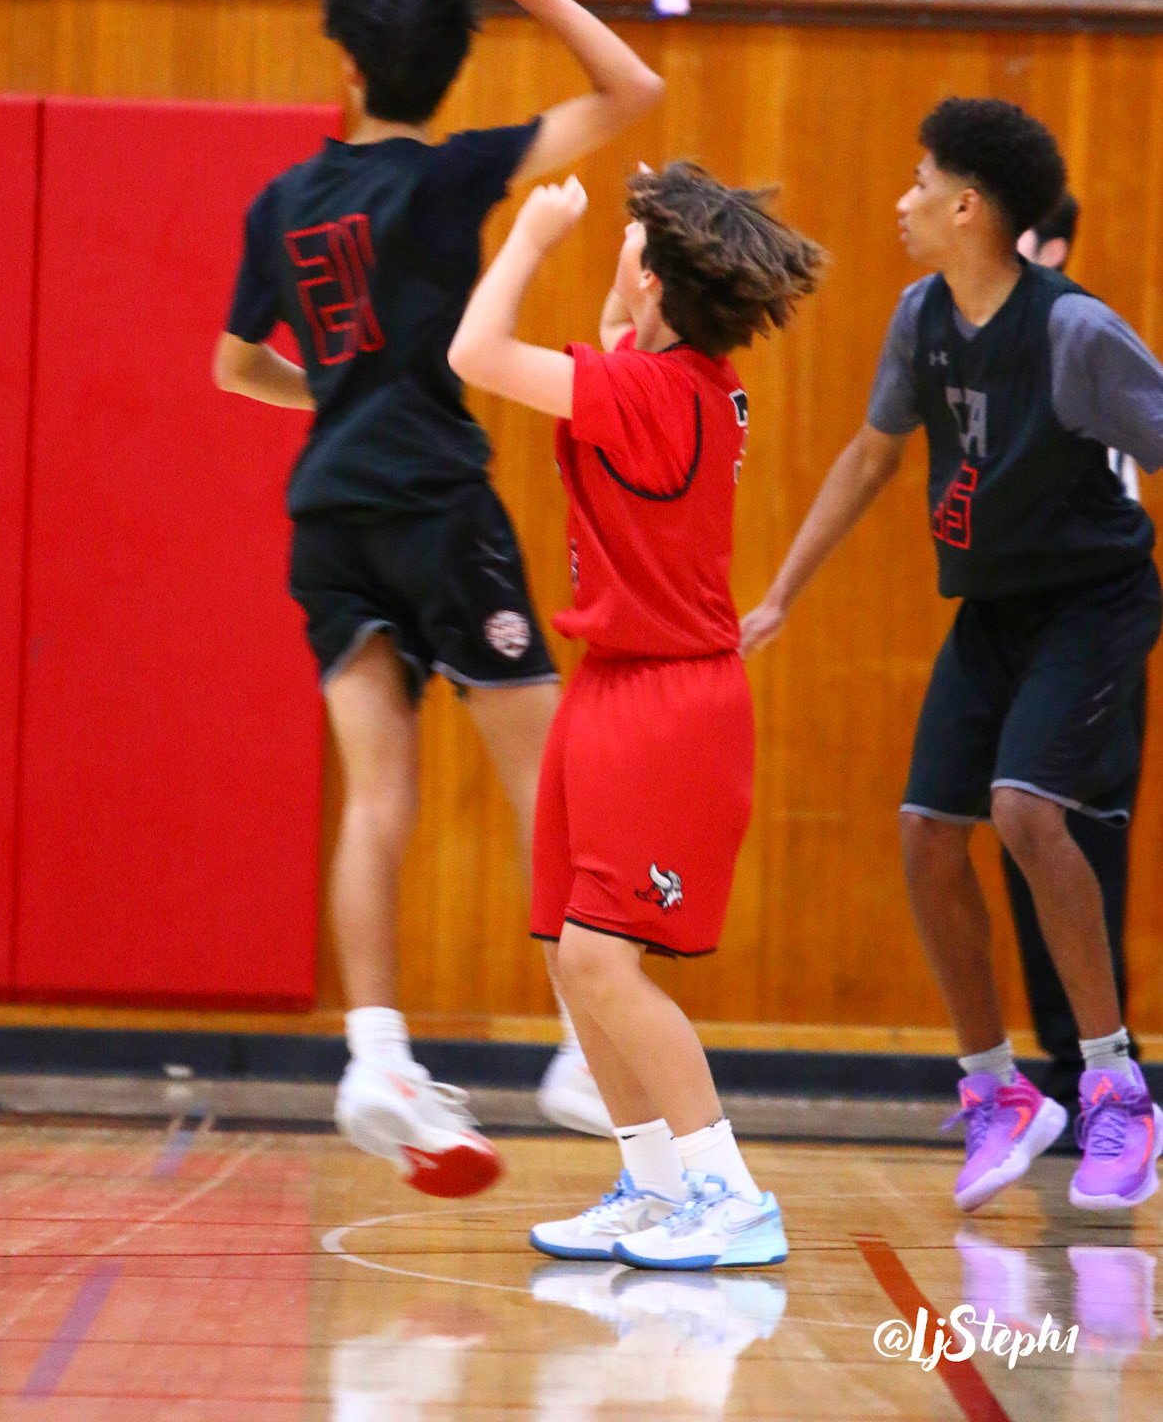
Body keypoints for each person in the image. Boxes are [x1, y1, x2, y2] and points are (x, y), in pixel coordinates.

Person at [214, 0, 663, 1195]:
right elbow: (632, 88)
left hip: (328, 516)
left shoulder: (281, 201)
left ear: (345, 66)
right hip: (437, 508)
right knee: (551, 784)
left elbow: (234, 364)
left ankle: (377, 1058)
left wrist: (335, 399)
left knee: (378, 801)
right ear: (446, 67)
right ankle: (583, 1048)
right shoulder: (454, 171)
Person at [742, 99, 1163, 1214]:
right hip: (992, 612)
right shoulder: (919, 315)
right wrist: (780, 593)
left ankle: (1117, 1089)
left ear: (969, 205)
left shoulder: (1073, 332)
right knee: (927, 832)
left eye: (920, 181)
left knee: (1024, 811)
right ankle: (997, 1091)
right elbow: (870, 455)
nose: (904, 199)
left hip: (1092, 606)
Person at [449, 160, 825, 1269]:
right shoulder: (670, 374)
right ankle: (656, 1185)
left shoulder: (650, 394)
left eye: (635, 240)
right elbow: (621, 324)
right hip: (612, 683)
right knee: (575, 957)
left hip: (668, 703)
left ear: (657, 279)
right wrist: (664, 224)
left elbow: (476, 354)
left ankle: (728, 1191)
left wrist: (531, 237)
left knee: (606, 963)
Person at [1008, 192, 1146, 1112]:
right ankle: (1069, 1064)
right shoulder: (974, 337)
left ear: (1048, 247)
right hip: (1017, 623)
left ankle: (1103, 1068)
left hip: (1094, 625)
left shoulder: (1081, 338)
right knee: (1013, 828)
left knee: (1080, 834)